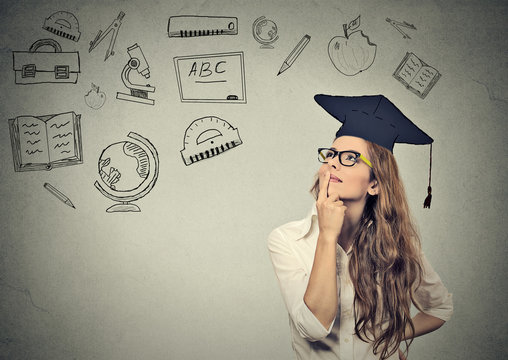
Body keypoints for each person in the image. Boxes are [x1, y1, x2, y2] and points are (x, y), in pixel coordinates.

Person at [268, 95, 453, 360]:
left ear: (375, 184)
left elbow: (439, 309)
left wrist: (387, 337)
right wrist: (328, 236)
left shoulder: (398, 243)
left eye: (350, 158)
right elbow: (313, 327)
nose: (332, 161)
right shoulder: (287, 240)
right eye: (330, 154)